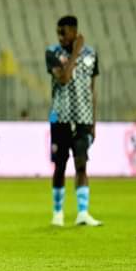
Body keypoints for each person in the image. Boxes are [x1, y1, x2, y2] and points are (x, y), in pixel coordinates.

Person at [46, 15, 101, 227]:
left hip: (83, 119)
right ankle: (58, 214)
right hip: (60, 117)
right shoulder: (52, 53)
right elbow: (64, 78)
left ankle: (83, 213)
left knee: (81, 164)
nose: (60, 37)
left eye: (64, 32)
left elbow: (92, 89)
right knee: (60, 165)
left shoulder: (92, 54)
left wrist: (94, 123)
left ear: (74, 32)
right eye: (58, 32)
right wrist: (76, 52)